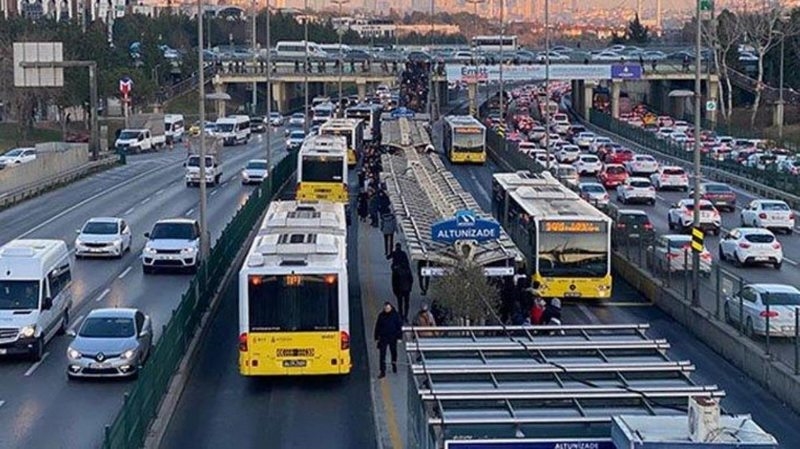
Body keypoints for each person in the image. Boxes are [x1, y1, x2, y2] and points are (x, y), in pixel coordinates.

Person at [374, 302, 403, 378]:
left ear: (391, 308)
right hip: (383, 338)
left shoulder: (395, 315)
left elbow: (399, 327)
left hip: (393, 337)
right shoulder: (381, 316)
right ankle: (382, 371)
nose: (386, 309)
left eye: (388, 308)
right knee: (382, 355)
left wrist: (399, 337)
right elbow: (377, 326)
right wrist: (376, 337)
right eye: (385, 308)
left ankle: (394, 364)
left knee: (393, 352)